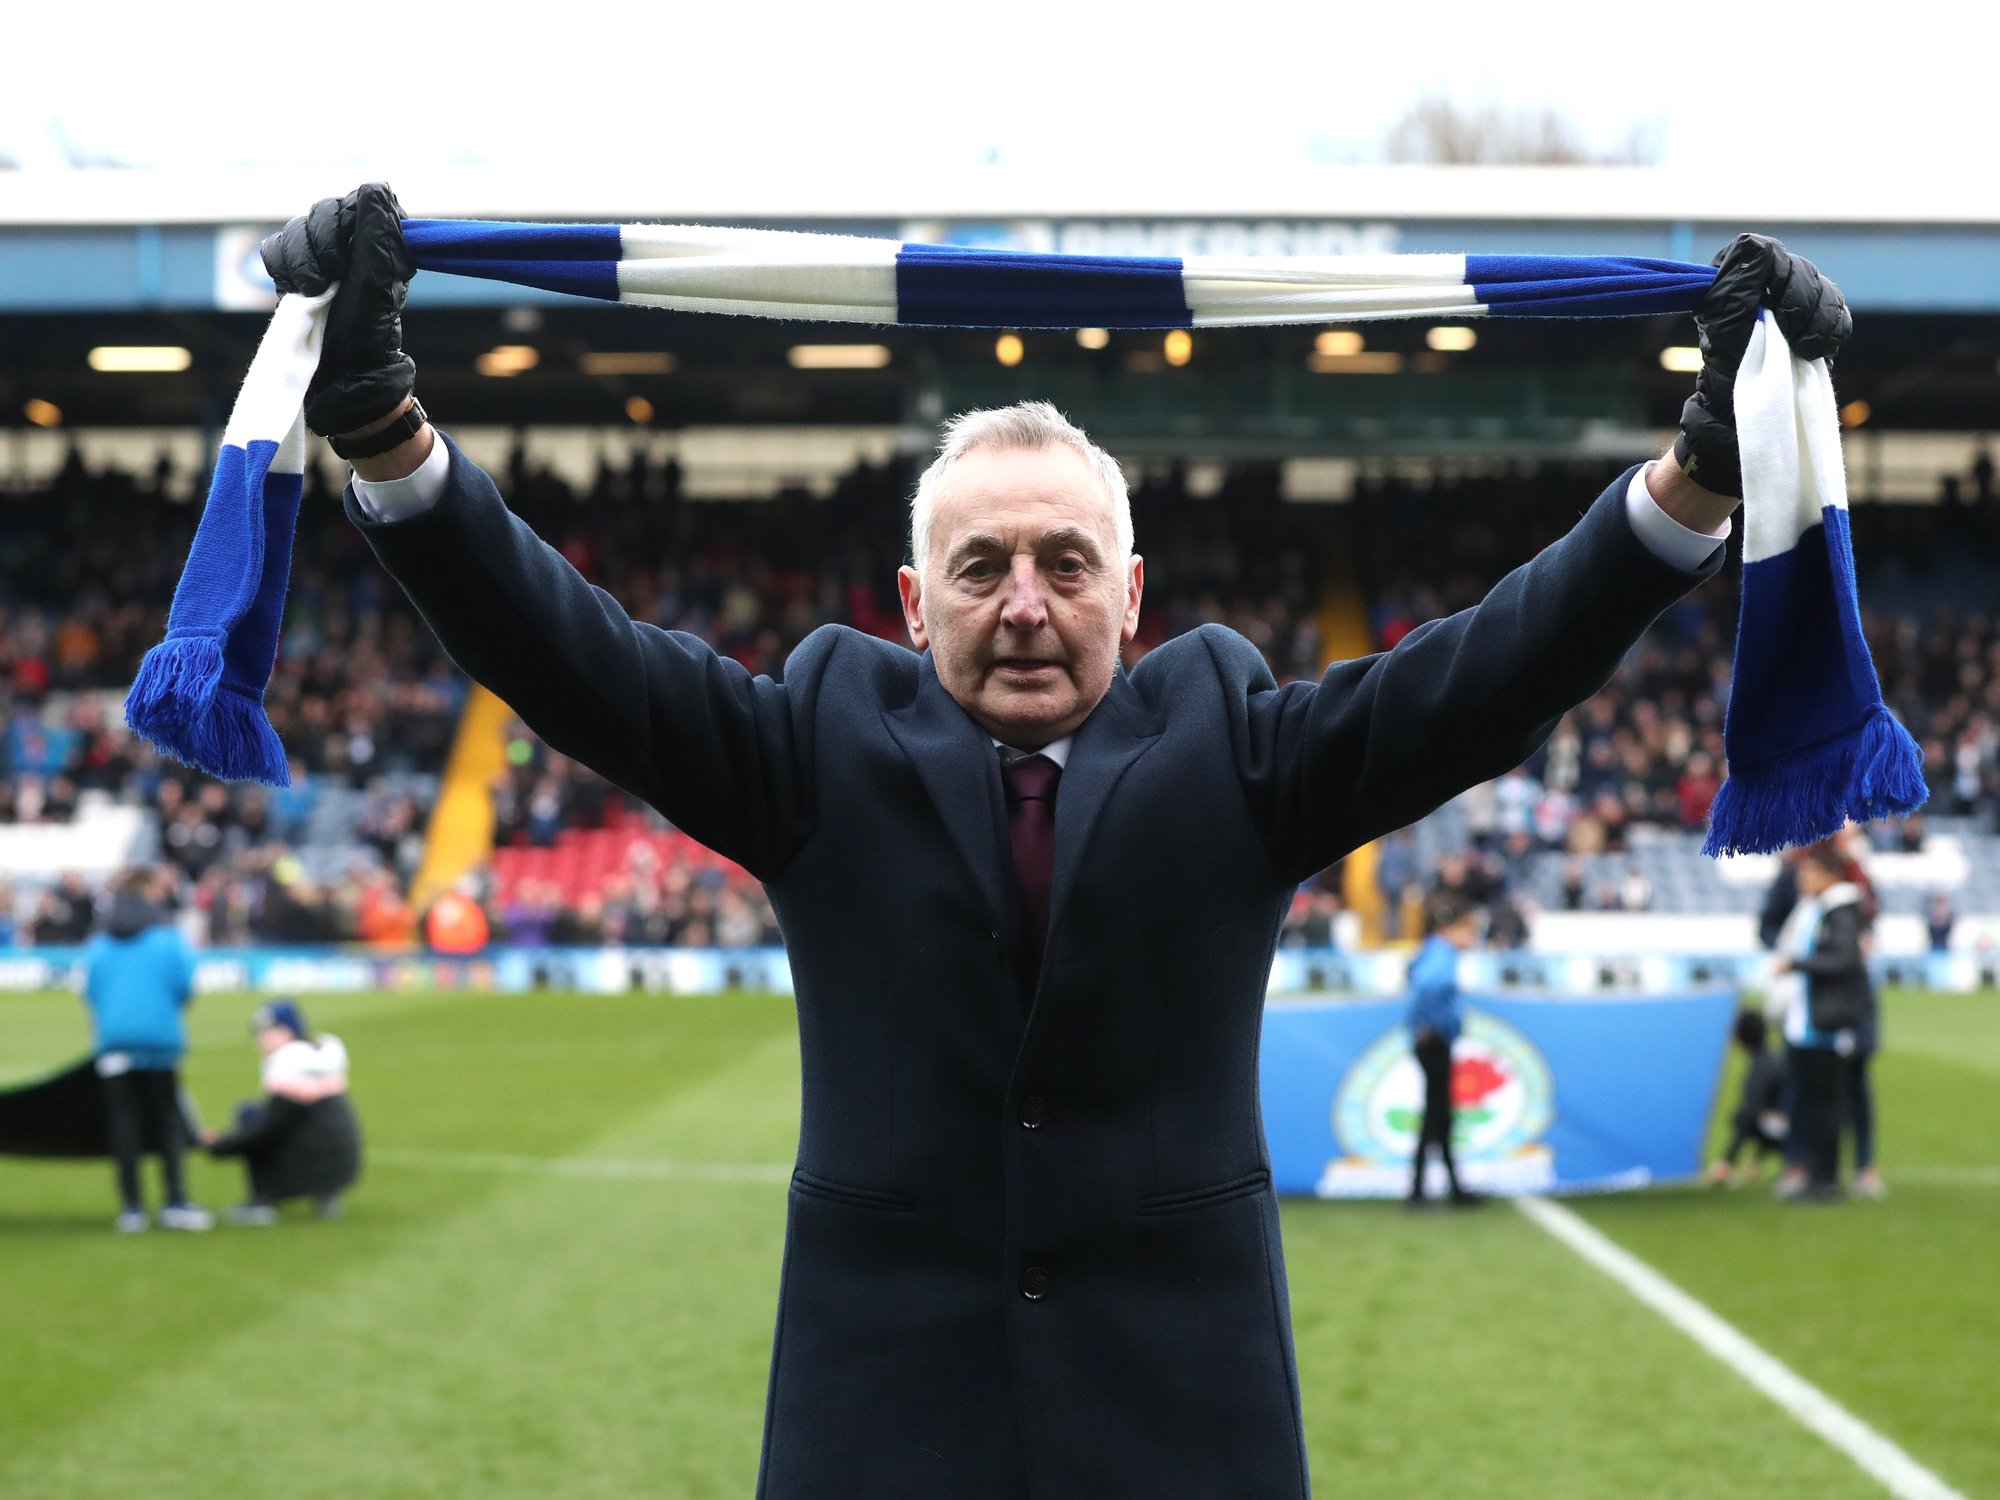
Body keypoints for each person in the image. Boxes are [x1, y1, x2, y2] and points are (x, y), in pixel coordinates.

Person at [262, 185, 1847, 1500]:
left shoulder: (1234, 744)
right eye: (982, 567)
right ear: (912, 603)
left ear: (1131, 596)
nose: (1025, 603)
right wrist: (388, 434)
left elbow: (1483, 677)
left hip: (1185, 1425)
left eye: (1066, 563)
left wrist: (1698, 476)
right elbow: (574, 658)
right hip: (881, 1422)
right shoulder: (816, 742)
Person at [81, 868, 211, 1233]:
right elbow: (185, 985)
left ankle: (132, 1208)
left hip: (114, 1044)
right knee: (167, 1122)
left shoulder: (99, 942)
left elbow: (90, 990)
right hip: (159, 1043)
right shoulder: (168, 938)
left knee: (124, 1126)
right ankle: (175, 1201)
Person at [1770, 844, 1873, 1203]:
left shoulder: (1840, 912)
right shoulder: (1817, 908)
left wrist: (1796, 964)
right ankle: (1813, 1173)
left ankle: (1825, 1179)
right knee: (1812, 1102)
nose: (1803, 878)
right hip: (1808, 1020)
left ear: (1831, 875)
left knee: (1825, 1104)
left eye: (1811, 872)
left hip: (1825, 1023)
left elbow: (1844, 959)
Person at [203, 999, 363, 1223]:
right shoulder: (321, 1053)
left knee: (250, 1114)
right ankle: (326, 1195)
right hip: (343, 1165)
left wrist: (220, 1145)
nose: (260, 1039)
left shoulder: (288, 1062)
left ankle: (262, 1201)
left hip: (309, 1165)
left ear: (286, 1031)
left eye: (267, 1032)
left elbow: (266, 1129)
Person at [1404, 896, 1483, 1208]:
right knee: (1438, 1115)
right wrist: (1432, 1025)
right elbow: (1428, 985)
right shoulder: (1442, 953)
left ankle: (1433, 1188)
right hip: (1435, 1042)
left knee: (1437, 1114)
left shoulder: (1432, 950)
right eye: (1468, 930)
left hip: (1431, 1040)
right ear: (1450, 928)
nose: (1472, 937)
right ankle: (1433, 1190)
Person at [1705, 1009, 1787, 1186]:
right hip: (1798, 1128)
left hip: (1790, 1132)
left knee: (1742, 1117)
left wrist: (1727, 1159)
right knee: (1758, 1116)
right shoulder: (1776, 1058)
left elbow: (1751, 1113)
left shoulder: (1759, 1070)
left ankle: (1724, 1167)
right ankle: (1759, 1164)